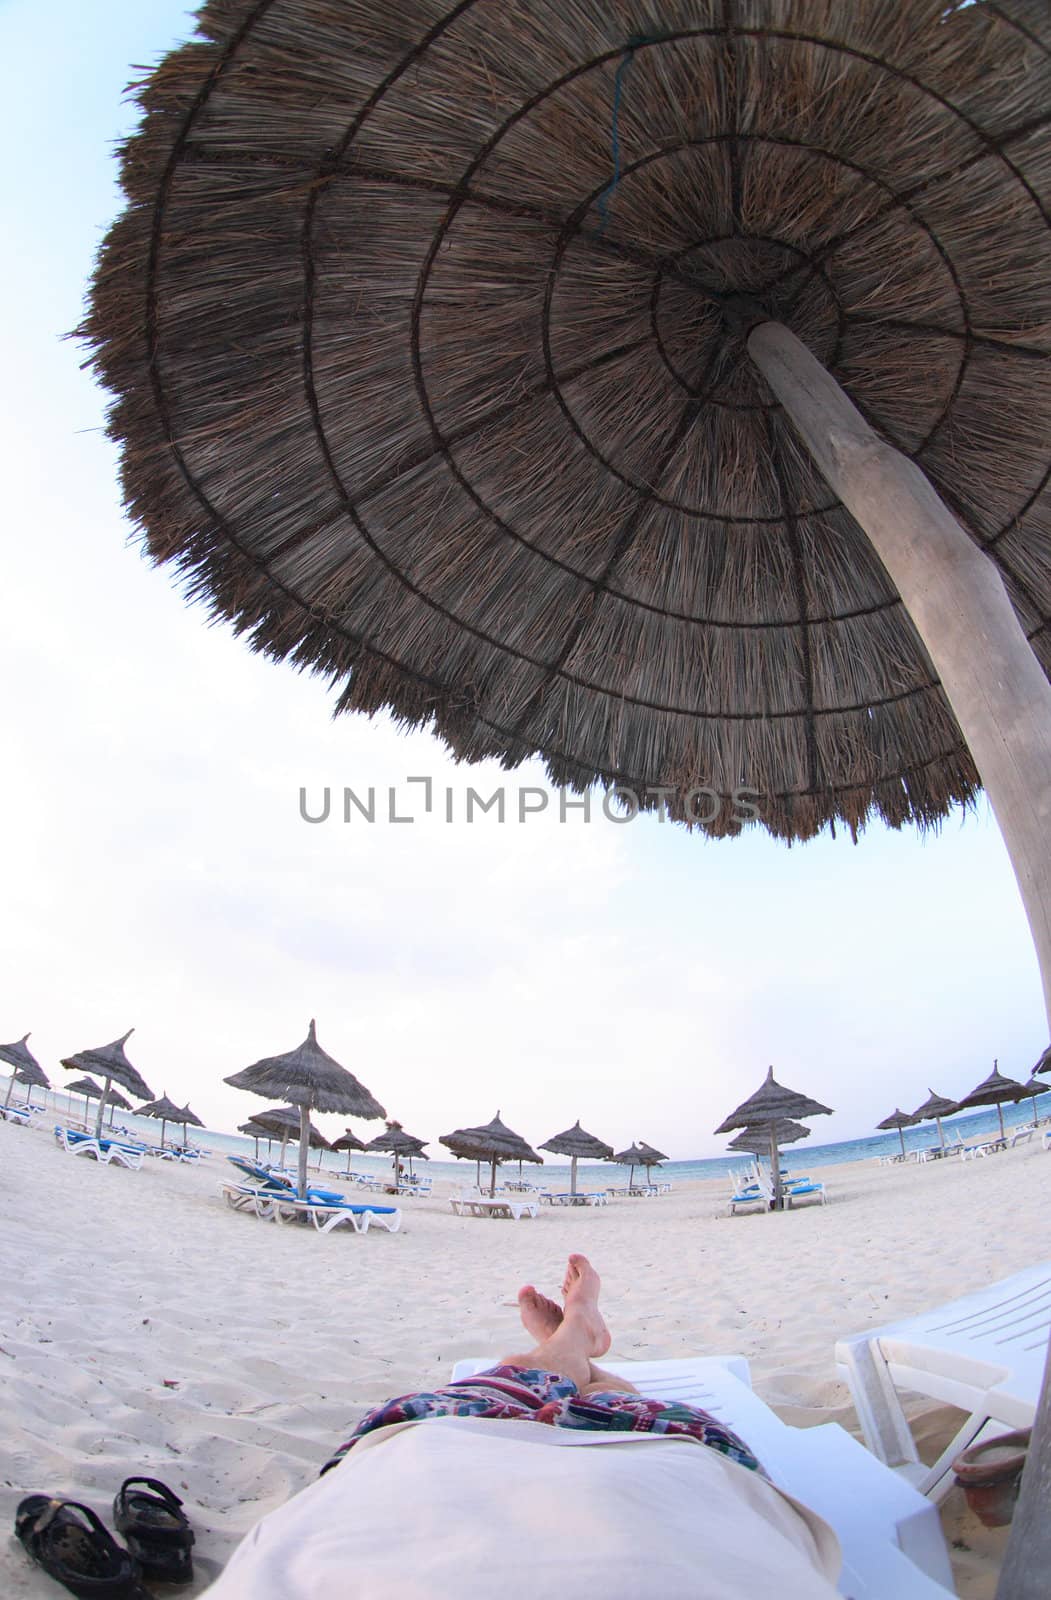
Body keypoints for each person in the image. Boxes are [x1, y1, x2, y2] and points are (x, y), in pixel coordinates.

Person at [205, 1255, 841, 1598]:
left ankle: (570, 1344)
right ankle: (575, 1344)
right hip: (661, 1464)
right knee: (605, 1401)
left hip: (445, 1449)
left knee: (520, 1375)